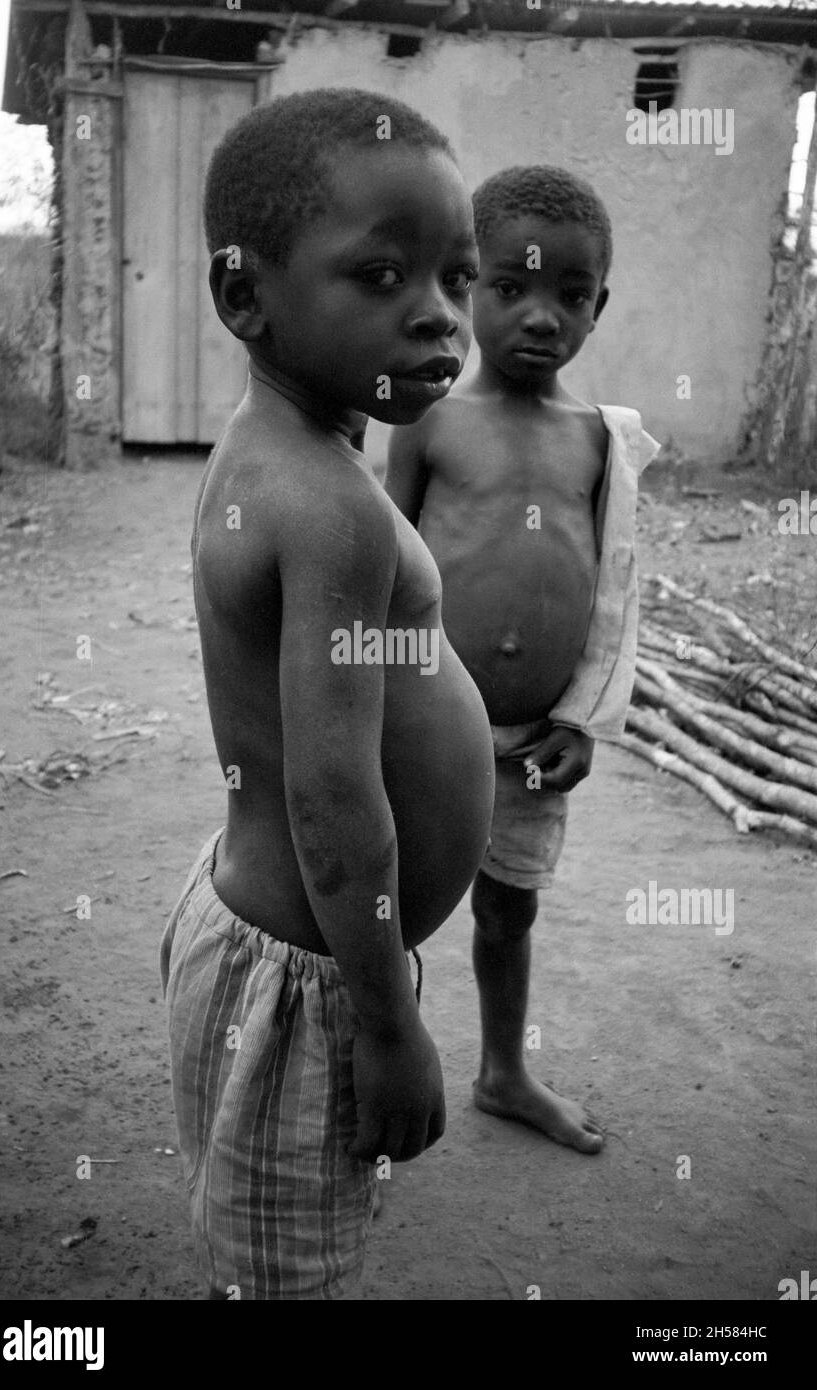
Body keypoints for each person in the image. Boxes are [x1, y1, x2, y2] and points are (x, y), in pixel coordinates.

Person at [159, 88, 494, 1300]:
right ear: (246, 297)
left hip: (266, 932)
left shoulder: (271, 453)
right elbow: (336, 800)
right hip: (310, 980)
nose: (438, 317)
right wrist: (390, 1022)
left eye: (458, 278)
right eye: (383, 277)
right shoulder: (332, 509)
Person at [386, 165, 659, 1156]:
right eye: (512, 288)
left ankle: (503, 1071)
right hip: (424, 722)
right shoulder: (431, 419)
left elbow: (615, 589)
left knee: (508, 908)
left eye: (571, 296)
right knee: (388, 900)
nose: (543, 317)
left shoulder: (599, 442)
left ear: (599, 304)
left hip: (535, 741)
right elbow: (385, 566)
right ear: (465, 288)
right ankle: (368, 1055)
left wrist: (587, 715)